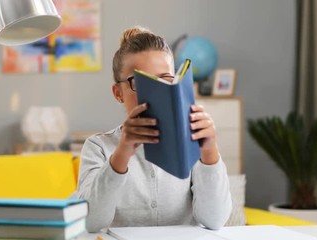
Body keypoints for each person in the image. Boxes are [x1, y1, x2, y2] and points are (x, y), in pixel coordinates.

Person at [76, 26, 232, 233]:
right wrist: (122, 153)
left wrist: (209, 151)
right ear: (118, 93)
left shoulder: (190, 143)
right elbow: (91, 221)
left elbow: (215, 219)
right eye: (138, 81)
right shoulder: (98, 147)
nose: (153, 90)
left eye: (164, 78)